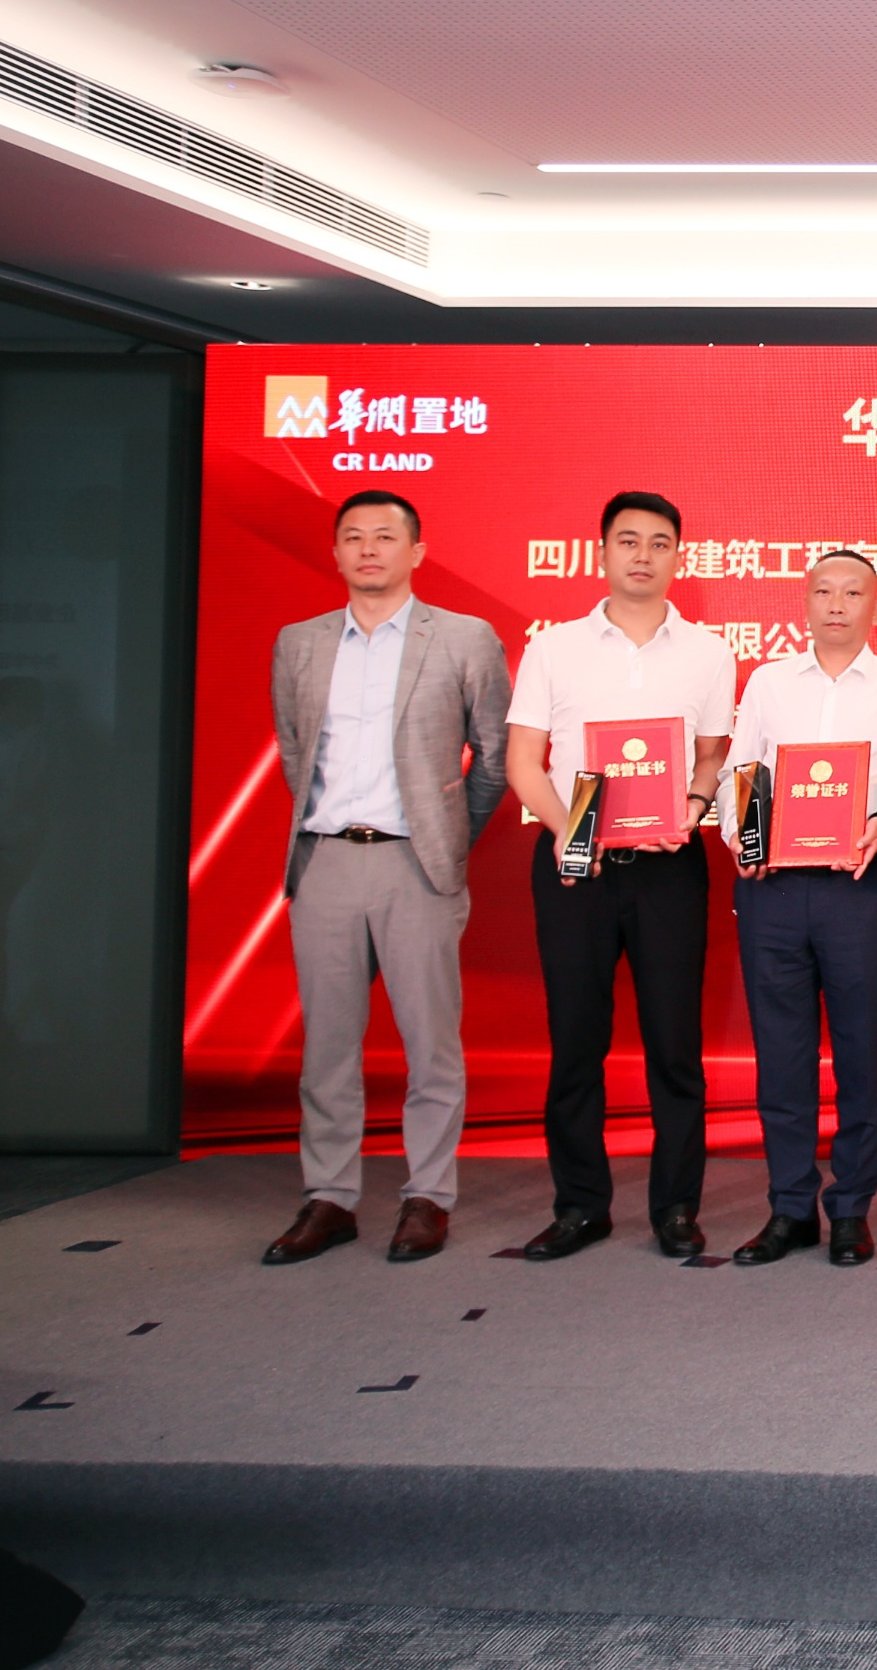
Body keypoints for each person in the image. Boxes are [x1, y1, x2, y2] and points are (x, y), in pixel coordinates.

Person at [261, 491, 510, 1266]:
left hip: (416, 863)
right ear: (335, 552)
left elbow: (494, 758)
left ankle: (428, 1196)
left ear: (416, 551)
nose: (368, 549)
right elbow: (296, 750)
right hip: (325, 859)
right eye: (353, 537)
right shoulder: (299, 643)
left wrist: (449, 839)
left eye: (384, 536)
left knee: (430, 1043)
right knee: (328, 1046)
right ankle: (329, 1197)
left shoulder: (464, 638)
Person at [503, 491, 736, 1261]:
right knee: (576, 1040)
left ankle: (676, 1208)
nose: (643, 555)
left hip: (670, 867)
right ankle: (580, 1206)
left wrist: (694, 806)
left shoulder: (708, 653)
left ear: (678, 556)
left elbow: (713, 755)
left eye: (659, 543)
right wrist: (572, 832)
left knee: (675, 1045)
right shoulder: (554, 648)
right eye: (628, 540)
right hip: (576, 867)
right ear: (601, 550)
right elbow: (523, 760)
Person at [719, 552, 877, 1269]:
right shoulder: (768, 682)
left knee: (861, 1053)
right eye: (823, 591)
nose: (836, 604)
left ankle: (851, 1210)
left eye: (852, 592)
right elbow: (740, 772)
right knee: (781, 1055)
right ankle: (788, 1208)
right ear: (804, 603)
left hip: (859, 889)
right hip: (774, 888)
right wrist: (743, 837)